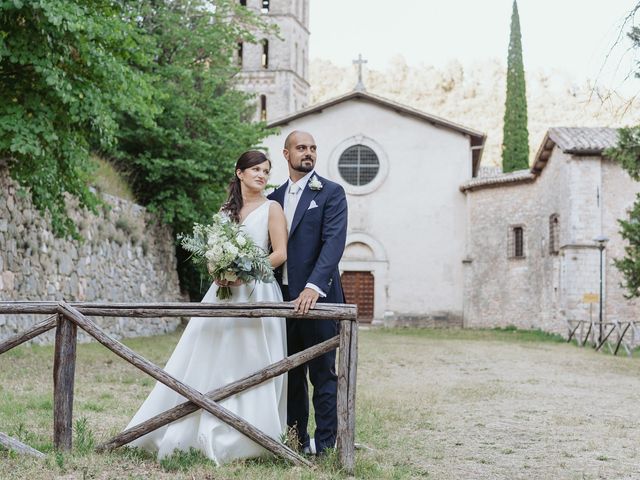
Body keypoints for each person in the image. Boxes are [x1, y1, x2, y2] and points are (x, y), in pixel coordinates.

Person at [125, 151, 289, 465]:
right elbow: (214, 254)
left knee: (253, 357)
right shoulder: (225, 211)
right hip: (223, 291)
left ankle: (251, 435)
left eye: (266, 171)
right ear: (239, 173)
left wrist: (247, 271)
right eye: (255, 169)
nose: (262, 176)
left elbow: (280, 253)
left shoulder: (273, 208)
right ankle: (193, 420)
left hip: (257, 291)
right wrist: (219, 271)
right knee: (211, 354)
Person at [268, 130, 348, 456]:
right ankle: (297, 442)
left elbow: (333, 244)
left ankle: (326, 444)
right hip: (281, 298)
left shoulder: (331, 192)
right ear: (286, 154)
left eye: (313, 148)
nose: (309, 153)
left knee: (323, 374)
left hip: (320, 299)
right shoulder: (272, 198)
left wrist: (313, 287)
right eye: (301, 148)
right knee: (291, 374)